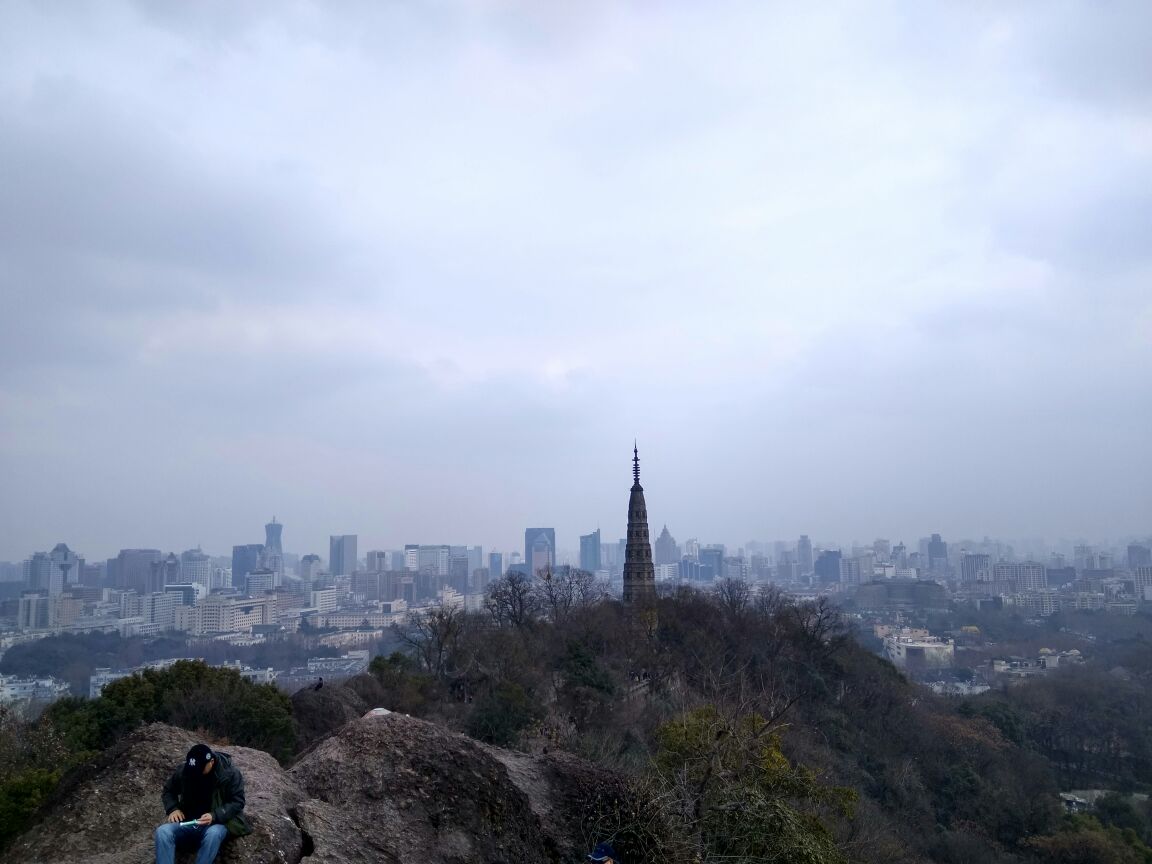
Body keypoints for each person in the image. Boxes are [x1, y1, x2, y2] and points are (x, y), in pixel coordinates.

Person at [155, 743, 250, 864]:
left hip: (216, 824)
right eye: (193, 770)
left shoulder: (230, 774)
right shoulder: (186, 770)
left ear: (211, 762)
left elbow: (238, 801)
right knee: (163, 832)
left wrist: (214, 815)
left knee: (213, 834)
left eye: (200, 769)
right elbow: (168, 791)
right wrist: (173, 809)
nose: (196, 773)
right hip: (188, 822)